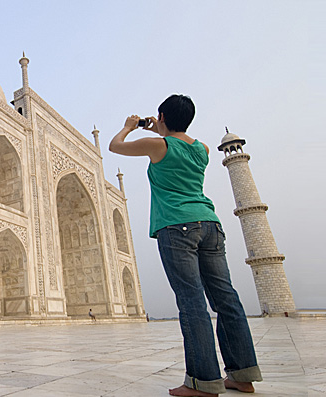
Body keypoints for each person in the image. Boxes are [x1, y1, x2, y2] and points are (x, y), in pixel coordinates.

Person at [109, 95, 262, 397]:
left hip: (176, 227)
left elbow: (115, 146)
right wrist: (161, 129)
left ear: (162, 116)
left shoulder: (158, 146)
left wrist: (129, 127)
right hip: (210, 224)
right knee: (226, 299)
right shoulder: (202, 149)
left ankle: (203, 382)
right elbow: (178, 145)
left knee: (192, 302)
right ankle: (242, 376)